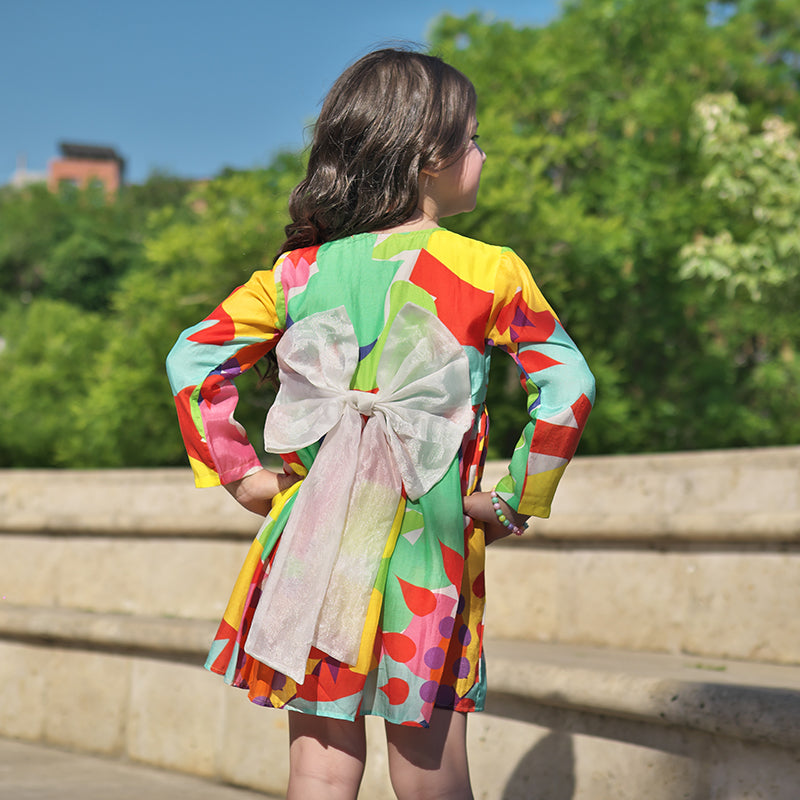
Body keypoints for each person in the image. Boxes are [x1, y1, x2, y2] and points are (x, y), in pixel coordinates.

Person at [166, 48, 595, 800]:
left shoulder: (296, 273)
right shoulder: (489, 271)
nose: (482, 153)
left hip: (317, 539)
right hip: (428, 546)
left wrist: (242, 476)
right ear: (430, 154)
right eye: (473, 139)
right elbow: (569, 386)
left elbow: (193, 361)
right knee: (432, 771)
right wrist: (512, 502)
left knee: (318, 768)